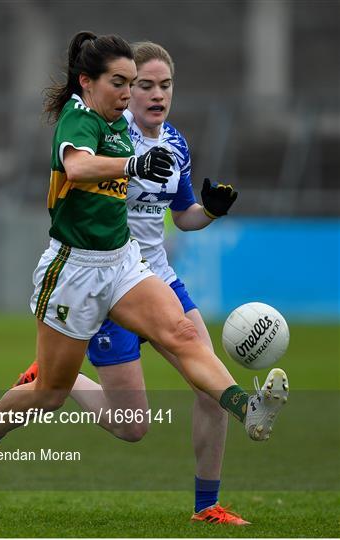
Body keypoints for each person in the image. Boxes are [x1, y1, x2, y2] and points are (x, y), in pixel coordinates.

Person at [0, 31, 289, 507]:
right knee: (51, 392)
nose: (131, 94)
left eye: (135, 83)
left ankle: (247, 408)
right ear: (87, 82)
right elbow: (78, 169)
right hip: (74, 271)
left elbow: (174, 206)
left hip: (124, 263)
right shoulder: (79, 119)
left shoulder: (128, 128)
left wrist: (206, 208)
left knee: (184, 334)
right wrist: (133, 164)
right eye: (121, 83)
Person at [14, 41, 252, 525]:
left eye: (165, 86)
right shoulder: (107, 133)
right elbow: (78, 179)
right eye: (143, 84)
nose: (155, 94)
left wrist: (209, 211)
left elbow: (182, 218)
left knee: (208, 385)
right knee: (132, 427)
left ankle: (207, 505)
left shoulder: (176, 144)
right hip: (104, 282)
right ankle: (56, 377)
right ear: (119, 87)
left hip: (155, 277)